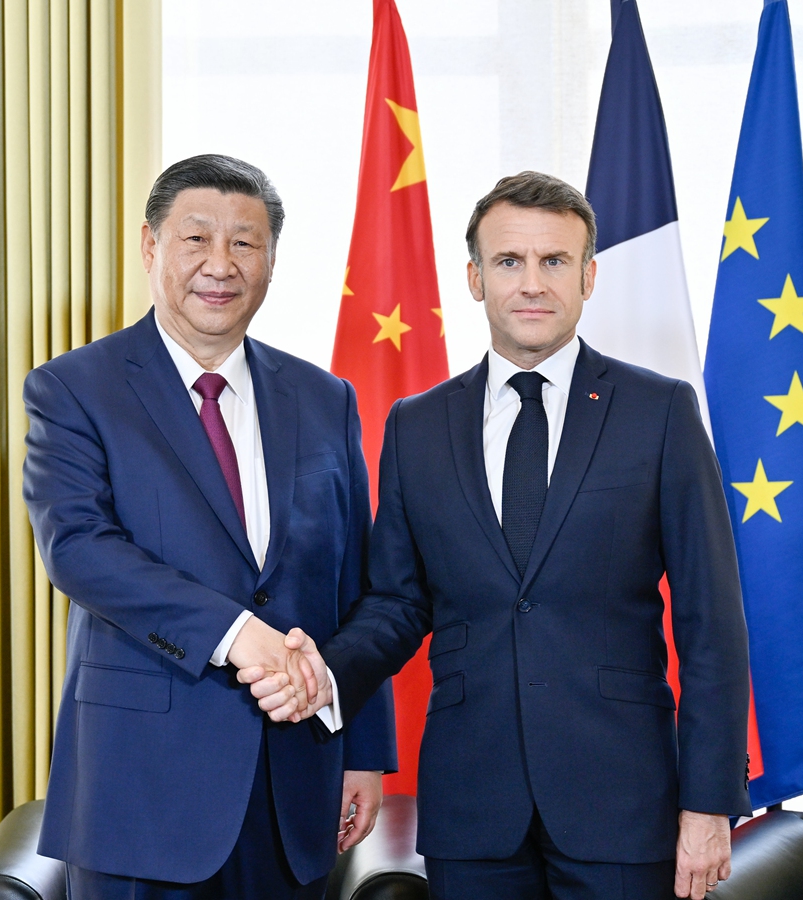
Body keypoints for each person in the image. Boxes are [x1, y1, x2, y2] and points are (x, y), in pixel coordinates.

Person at [245, 171, 752, 900]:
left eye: (554, 261)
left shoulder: (659, 412)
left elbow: (714, 625)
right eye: (510, 262)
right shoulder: (417, 427)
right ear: (476, 279)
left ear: (589, 276)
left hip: (622, 801)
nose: (532, 283)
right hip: (472, 808)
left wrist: (707, 804)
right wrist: (322, 671)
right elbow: (395, 604)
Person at [22, 154, 396, 900]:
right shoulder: (73, 388)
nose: (219, 265)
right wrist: (239, 633)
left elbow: (359, 584)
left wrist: (361, 747)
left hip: (295, 781)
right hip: (139, 789)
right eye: (196, 239)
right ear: (150, 247)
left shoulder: (327, 399)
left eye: (245, 244)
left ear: (271, 262)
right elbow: (81, 550)